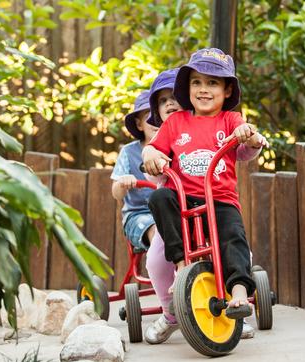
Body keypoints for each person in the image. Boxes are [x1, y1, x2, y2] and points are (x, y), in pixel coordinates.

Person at [142, 48, 268, 322]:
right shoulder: (176, 122)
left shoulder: (231, 120)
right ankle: (182, 268)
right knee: (159, 198)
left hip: (220, 199)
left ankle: (237, 294)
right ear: (187, 88)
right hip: (183, 199)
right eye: (196, 82)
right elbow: (154, 148)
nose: (203, 89)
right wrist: (150, 153)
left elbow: (249, 138)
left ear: (226, 90)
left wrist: (249, 136)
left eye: (212, 83)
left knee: (233, 237)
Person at [139, 68, 183, 345]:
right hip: (172, 214)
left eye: (175, 96)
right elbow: (153, 173)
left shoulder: (202, 129)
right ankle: (170, 313)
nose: (170, 103)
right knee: (156, 261)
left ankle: (228, 314)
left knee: (230, 252)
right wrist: (152, 157)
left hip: (207, 209)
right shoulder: (162, 137)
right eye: (162, 99)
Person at [111, 90, 158, 252]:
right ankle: (165, 273)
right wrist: (123, 182)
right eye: (148, 117)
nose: (154, 121)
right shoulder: (129, 152)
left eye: (158, 115)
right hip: (139, 215)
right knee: (157, 231)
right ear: (139, 124)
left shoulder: (174, 149)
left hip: (172, 214)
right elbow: (116, 193)